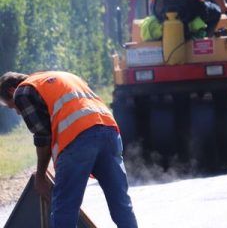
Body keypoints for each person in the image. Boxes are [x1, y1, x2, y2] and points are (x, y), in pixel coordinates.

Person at [0, 71, 138, 228]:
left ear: (11, 90)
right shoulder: (62, 77)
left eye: (12, 107)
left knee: (65, 206)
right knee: (121, 203)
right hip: (110, 132)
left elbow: (42, 136)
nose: (17, 111)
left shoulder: (22, 91)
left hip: (79, 137)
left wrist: (40, 176)